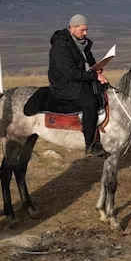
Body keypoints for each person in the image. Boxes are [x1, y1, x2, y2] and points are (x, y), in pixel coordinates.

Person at [48, 14, 109, 157]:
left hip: (79, 79)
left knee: (106, 90)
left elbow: (90, 61)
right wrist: (94, 75)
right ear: (72, 28)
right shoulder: (60, 46)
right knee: (90, 102)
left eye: (86, 30)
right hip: (64, 83)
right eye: (83, 30)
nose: (85, 33)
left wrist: (97, 68)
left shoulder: (83, 43)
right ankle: (91, 144)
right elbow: (70, 73)